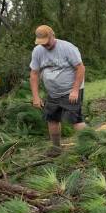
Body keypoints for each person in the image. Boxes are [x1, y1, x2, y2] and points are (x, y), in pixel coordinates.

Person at [29, 25, 86, 155]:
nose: (45, 45)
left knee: (75, 120)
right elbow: (34, 74)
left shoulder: (67, 48)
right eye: (42, 43)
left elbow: (80, 68)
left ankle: (90, 145)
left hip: (71, 91)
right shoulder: (38, 51)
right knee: (52, 119)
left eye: (47, 41)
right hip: (53, 93)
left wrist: (75, 90)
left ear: (52, 36)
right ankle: (56, 148)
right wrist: (36, 97)